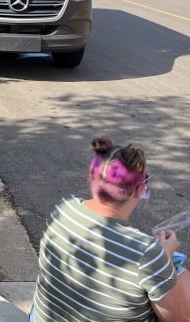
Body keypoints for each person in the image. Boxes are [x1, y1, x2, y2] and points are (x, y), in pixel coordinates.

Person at [32, 136, 190, 322]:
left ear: (92, 179)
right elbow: (180, 318)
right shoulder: (147, 253)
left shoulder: (64, 208)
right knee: (181, 276)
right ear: (140, 190)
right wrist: (165, 259)